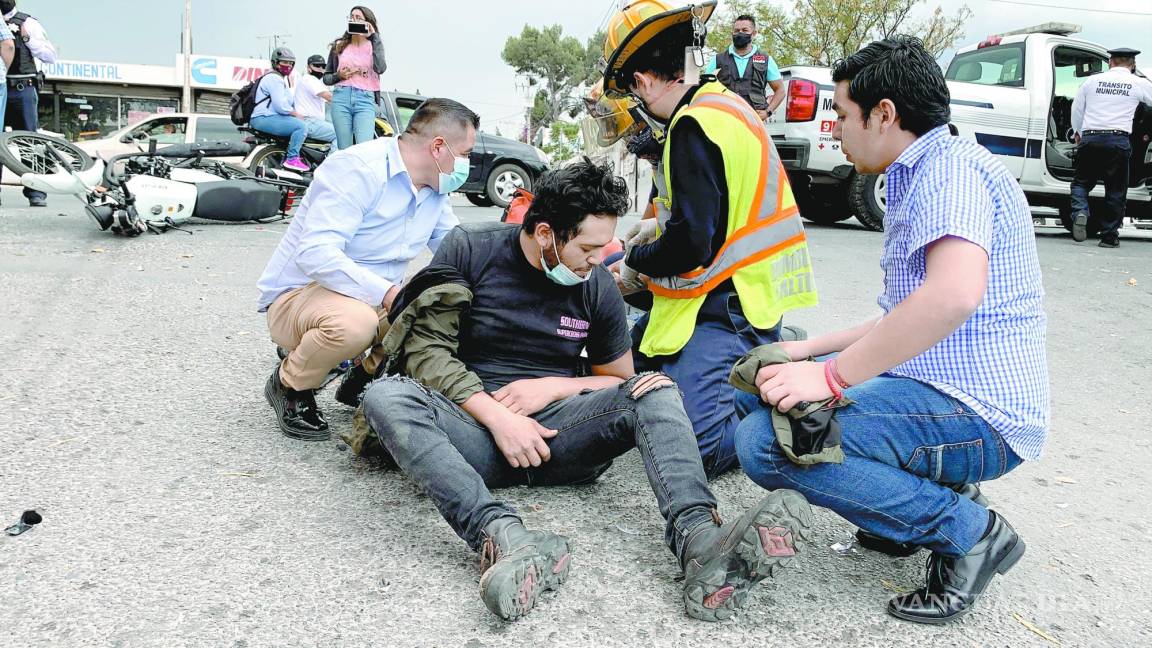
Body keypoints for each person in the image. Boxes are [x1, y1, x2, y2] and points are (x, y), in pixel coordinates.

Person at [359, 160, 812, 622]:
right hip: (472, 432)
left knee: (654, 388)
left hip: (560, 438)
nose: (600, 261)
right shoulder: (471, 250)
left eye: (605, 247)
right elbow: (426, 350)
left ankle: (700, 542)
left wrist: (551, 386)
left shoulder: (596, 286)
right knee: (386, 397)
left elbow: (619, 379)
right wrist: (500, 419)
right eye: (589, 248)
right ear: (544, 234)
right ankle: (506, 539)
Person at [733, 36, 1049, 625]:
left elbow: (952, 296)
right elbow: (904, 313)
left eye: (843, 114)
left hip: (977, 412)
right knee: (763, 386)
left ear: (885, 114)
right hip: (938, 392)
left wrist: (826, 377)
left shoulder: (948, 173)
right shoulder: (925, 168)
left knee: (767, 443)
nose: (836, 128)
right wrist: (801, 350)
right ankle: (911, 509)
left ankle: (970, 532)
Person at [601, 0, 817, 478]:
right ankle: (762, 359)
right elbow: (710, 214)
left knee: (694, 447)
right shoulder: (723, 105)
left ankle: (774, 374)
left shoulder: (693, 125)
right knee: (634, 387)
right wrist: (655, 234)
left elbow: (691, 244)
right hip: (722, 298)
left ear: (642, 81)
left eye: (633, 96)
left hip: (728, 308)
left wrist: (637, 258)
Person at [256, 98, 477, 440]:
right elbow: (316, 254)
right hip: (300, 297)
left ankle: (363, 375)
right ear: (438, 147)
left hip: (370, 300)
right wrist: (389, 294)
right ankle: (290, 383)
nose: (467, 163)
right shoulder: (357, 169)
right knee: (355, 325)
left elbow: (458, 253)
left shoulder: (434, 191)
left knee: (450, 301)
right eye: (465, 153)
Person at [1069, 47, 1152, 248]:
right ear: (1132, 65)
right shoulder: (1137, 83)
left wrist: (1077, 133)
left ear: (1110, 62)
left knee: (1081, 183)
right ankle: (1108, 237)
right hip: (1117, 141)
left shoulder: (1091, 81)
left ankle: (1080, 211)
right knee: (1115, 190)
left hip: (1090, 138)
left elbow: (1077, 109)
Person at [1, 0, 57, 207]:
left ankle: (36, 192)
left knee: (29, 142)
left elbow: (50, 56)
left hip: (22, 89)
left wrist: (26, 38)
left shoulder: (28, 23)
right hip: (1, 89)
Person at [322, 6, 386, 150]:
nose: (354, 20)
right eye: (352, 17)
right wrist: (339, 76)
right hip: (341, 98)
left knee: (364, 148)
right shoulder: (339, 46)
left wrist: (375, 36)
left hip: (365, 99)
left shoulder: (374, 45)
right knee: (344, 149)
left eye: (359, 18)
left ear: (368, 23)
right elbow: (326, 78)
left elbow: (381, 68)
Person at [706, 14, 784, 120]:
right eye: (737, 30)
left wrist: (768, 112)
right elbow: (705, 89)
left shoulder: (766, 60)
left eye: (745, 30)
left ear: (754, 33)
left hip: (754, 121)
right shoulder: (717, 60)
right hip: (724, 119)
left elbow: (780, 90)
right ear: (732, 33)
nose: (740, 33)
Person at [249, 47, 311, 173]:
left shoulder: (278, 78)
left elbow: (286, 102)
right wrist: (295, 114)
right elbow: (280, 106)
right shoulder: (274, 78)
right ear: (275, 62)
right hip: (264, 118)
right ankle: (292, 159)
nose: (287, 65)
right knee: (301, 127)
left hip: (267, 117)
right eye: (284, 62)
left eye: (290, 63)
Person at [293, 54, 337, 145]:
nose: (320, 69)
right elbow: (329, 97)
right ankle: (332, 159)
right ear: (309, 68)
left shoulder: (315, 82)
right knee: (340, 135)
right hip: (309, 121)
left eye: (323, 66)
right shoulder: (309, 79)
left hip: (312, 122)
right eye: (317, 66)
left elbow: (329, 102)